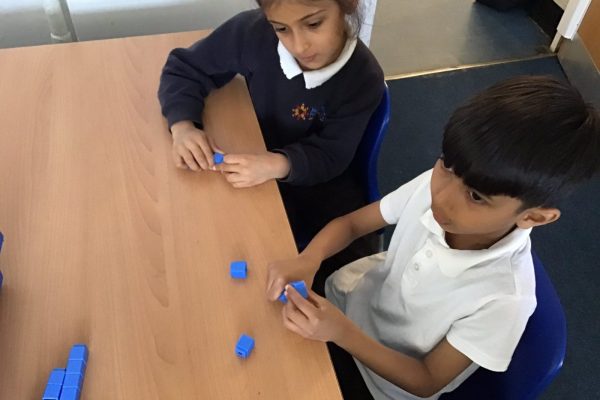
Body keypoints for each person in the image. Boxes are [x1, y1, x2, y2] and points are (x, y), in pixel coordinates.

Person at [265, 76, 600, 399]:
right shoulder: (438, 184)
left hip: (380, 382)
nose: (441, 196)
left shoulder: (506, 299)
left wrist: (341, 333)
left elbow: (426, 380)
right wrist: (309, 259)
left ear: (534, 217)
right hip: (346, 306)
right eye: (447, 166)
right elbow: (352, 225)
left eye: (476, 197)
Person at [158, 0, 386, 291]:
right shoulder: (253, 32)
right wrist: (183, 127)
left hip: (317, 189)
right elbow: (184, 67)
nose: (299, 46)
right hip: (256, 168)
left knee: (316, 284)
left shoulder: (362, 78)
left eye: (313, 24)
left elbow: (332, 155)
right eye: (281, 29)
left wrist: (278, 164)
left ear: (348, 4)